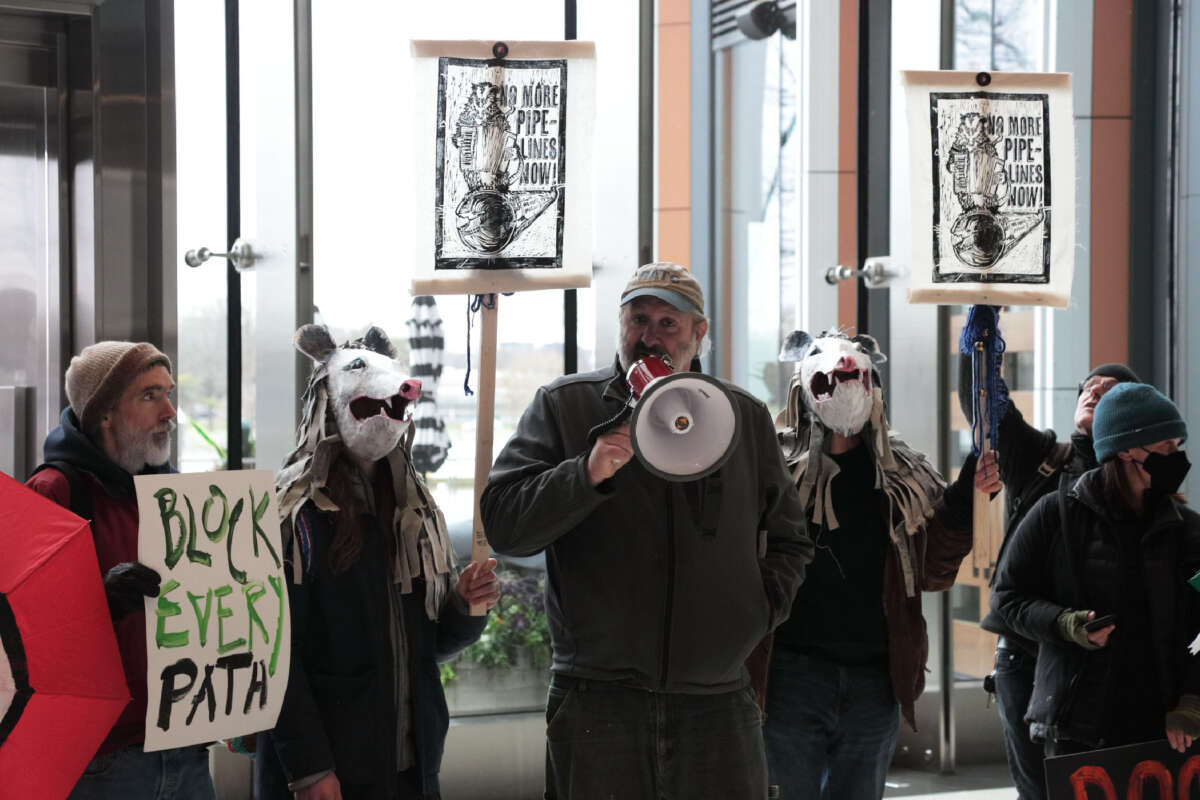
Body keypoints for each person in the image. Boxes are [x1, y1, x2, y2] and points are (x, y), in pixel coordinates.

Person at [480, 262, 814, 799]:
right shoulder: (566, 407)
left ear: (698, 334)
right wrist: (585, 472)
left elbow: (790, 539)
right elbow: (505, 528)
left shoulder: (743, 419)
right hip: (597, 696)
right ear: (620, 324)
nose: (650, 336)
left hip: (718, 697)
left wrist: (755, 614)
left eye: (668, 322)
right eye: (639, 319)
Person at [255, 325, 499, 800]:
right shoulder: (292, 515)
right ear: (327, 400)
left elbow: (427, 649)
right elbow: (271, 654)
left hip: (410, 767)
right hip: (327, 775)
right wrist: (309, 767)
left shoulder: (414, 514)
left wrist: (465, 608)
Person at [762, 330, 999, 800]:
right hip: (789, 675)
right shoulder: (770, 468)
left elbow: (932, 569)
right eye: (828, 380)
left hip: (874, 678)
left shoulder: (899, 473)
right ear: (805, 386)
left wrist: (963, 501)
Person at [24, 341, 216, 799]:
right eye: (150, 396)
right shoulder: (55, 493)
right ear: (104, 413)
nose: (169, 410)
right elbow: (18, 634)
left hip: (185, 746)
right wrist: (97, 603)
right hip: (104, 761)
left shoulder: (177, 498)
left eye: (169, 393)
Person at [993, 382, 1200, 757]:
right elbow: (1006, 600)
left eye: (1177, 446)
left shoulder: (1187, 528)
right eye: (1166, 445)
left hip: (1165, 727)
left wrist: (1191, 702)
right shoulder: (1056, 515)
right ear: (1125, 450)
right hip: (1078, 725)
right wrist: (1065, 623)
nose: (1177, 456)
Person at [968, 361, 1139, 799]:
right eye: (1089, 386)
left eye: (1109, 389)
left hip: (1104, 659)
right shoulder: (1042, 458)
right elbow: (985, 399)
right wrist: (983, 319)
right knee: (1041, 792)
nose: (1093, 391)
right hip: (1026, 656)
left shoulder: (1144, 486)